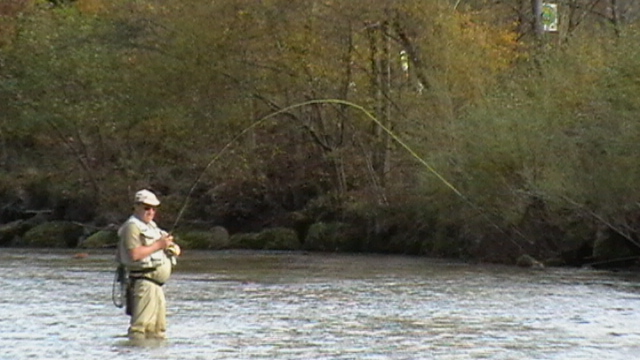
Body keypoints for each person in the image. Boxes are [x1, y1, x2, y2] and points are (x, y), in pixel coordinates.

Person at [116, 189, 181, 341]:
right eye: (146, 208)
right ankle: (135, 354)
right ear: (136, 207)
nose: (150, 211)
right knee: (140, 329)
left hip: (157, 286)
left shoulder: (153, 227)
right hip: (144, 283)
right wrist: (159, 244)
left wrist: (170, 247)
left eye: (153, 208)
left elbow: (170, 248)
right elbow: (135, 254)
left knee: (158, 330)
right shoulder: (132, 227)